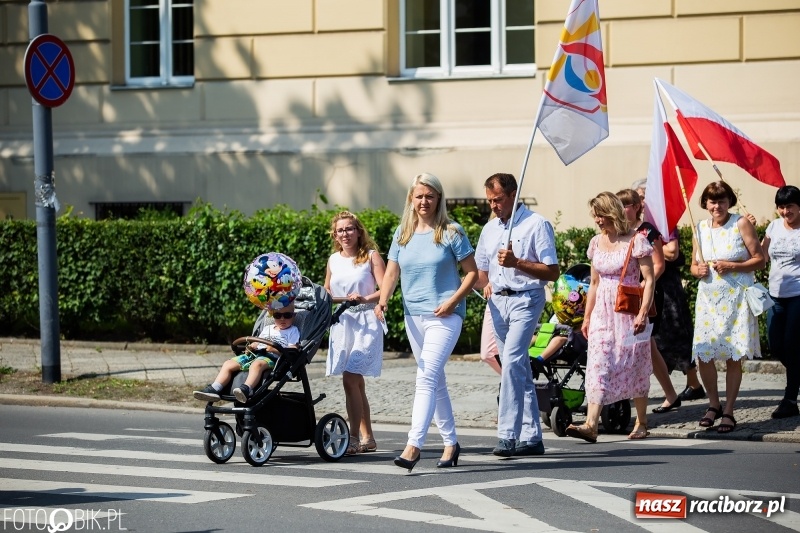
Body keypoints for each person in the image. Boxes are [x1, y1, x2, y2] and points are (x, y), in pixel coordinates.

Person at [375, 172, 478, 471]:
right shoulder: (402, 234)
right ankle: (450, 443)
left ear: (439, 199)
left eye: (430, 196)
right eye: (419, 196)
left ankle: (413, 445)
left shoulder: (451, 231)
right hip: (413, 316)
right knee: (437, 381)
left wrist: (453, 301)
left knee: (425, 378)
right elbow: (392, 273)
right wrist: (383, 300)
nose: (424, 201)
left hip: (444, 316)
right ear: (411, 198)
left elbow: (472, 273)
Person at [474, 173, 559, 457]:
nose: (493, 206)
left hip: (526, 299)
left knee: (510, 360)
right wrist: (484, 284)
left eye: (497, 200)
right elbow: (481, 270)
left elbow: (552, 272)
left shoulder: (537, 224)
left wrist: (517, 263)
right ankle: (532, 436)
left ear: (513, 195)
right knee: (518, 366)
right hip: (498, 301)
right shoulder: (489, 229)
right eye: (489, 201)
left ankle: (507, 434)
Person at [566, 192, 655, 442]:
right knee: (598, 363)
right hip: (602, 313)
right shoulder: (596, 242)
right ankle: (591, 424)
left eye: (600, 214)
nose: (596, 220)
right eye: (594, 215)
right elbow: (594, 283)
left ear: (612, 213)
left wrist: (642, 312)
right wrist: (586, 317)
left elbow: (649, 279)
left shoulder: (636, 241)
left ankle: (641, 422)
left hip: (627, 311)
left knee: (634, 364)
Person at [617, 189, 703, 413]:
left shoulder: (647, 230)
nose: (621, 209)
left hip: (649, 293)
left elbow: (659, 264)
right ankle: (670, 394)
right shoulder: (620, 231)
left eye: (625, 204)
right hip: (630, 293)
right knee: (649, 345)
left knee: (645, 342)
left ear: (637, 206)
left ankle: (643, 396)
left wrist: (643, 286)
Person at [691, 181, 765, 433]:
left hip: (735, 300)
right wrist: (696, 270)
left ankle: (730, 410)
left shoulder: (740, 223)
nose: (717, 206)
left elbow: (759, 260)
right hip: (708, 301)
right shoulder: (699, 227)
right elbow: (694, 264)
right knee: (703, 353)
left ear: (729, 201)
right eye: (712, 201)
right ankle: (713, 404)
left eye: (721, 201)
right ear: (705, 203)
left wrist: (732, 266)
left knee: (734, 356)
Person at [324, 211, 386, 454]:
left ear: (359, 231)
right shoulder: (333, 260)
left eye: (349, 229)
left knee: (350, 378)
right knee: (356, 383)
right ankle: (368, 437)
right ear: (335, 235)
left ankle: (351, 437)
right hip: (342, 322)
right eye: (340, 230)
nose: (345, 234)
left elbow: (385, 288)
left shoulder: (371, 257)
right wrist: (326, 295)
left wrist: (365, 298)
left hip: (366, 321)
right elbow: (327, 289)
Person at [193, 302, 300, 403]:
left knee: (256, 365)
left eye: (287, 315)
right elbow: (257, 342)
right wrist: (252, 346)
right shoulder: (268, 328)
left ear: (294, 316)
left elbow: (292, 351)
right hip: (255, 354)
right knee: (228, 363)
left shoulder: (293, 331)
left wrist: (274, 349)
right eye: (277, 315)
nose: (282, 318)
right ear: (273, 315)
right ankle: (215, 388)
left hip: (273, 357)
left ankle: (246, 389)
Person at [761, 185, 800, 419]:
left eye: (790, 206)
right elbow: (762, 256)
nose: (785, 211)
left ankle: (789, 399)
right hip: (775, 295)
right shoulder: (773, 227)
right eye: (781, 207)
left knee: (792, 344)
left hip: (798, 294)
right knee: (776, 345)